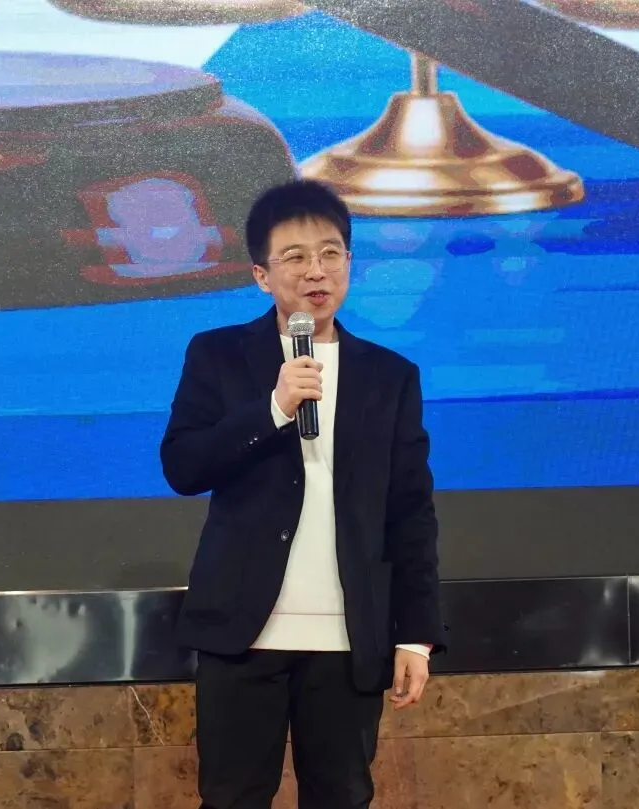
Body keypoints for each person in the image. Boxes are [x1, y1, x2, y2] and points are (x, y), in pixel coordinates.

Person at [160, 179, 446, 809]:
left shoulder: (390, 376)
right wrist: (274, 407)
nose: (316, 271)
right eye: (295, 256)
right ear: (262, 276)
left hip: (349, 636)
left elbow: (410, 512)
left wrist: (415, 635)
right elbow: (182, 466)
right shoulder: (218, 355)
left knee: (342, 797)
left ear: (348, 263)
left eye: (331, 254)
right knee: (231, 798)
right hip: (243, 631)